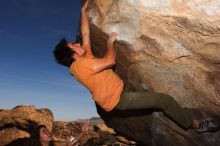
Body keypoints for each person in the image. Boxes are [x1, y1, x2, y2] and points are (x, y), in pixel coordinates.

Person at [53, 0, 219, 133]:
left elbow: (86, 34)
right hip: (119, 99)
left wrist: (83, 11)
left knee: (151, 96)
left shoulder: (84, 56)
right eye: (73, 45)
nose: (76, 43)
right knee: (164, 100)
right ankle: (196, 126)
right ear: (73, 55)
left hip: (121, 90)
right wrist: (110, 44)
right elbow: (110, 61)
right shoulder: (79, 67)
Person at [26, 122, 90, 146]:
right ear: (38, 138)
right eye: (44, 131)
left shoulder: (53, 144)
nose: (48, 132)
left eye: (47, 130)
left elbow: (71, 141)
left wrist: (83, 133)